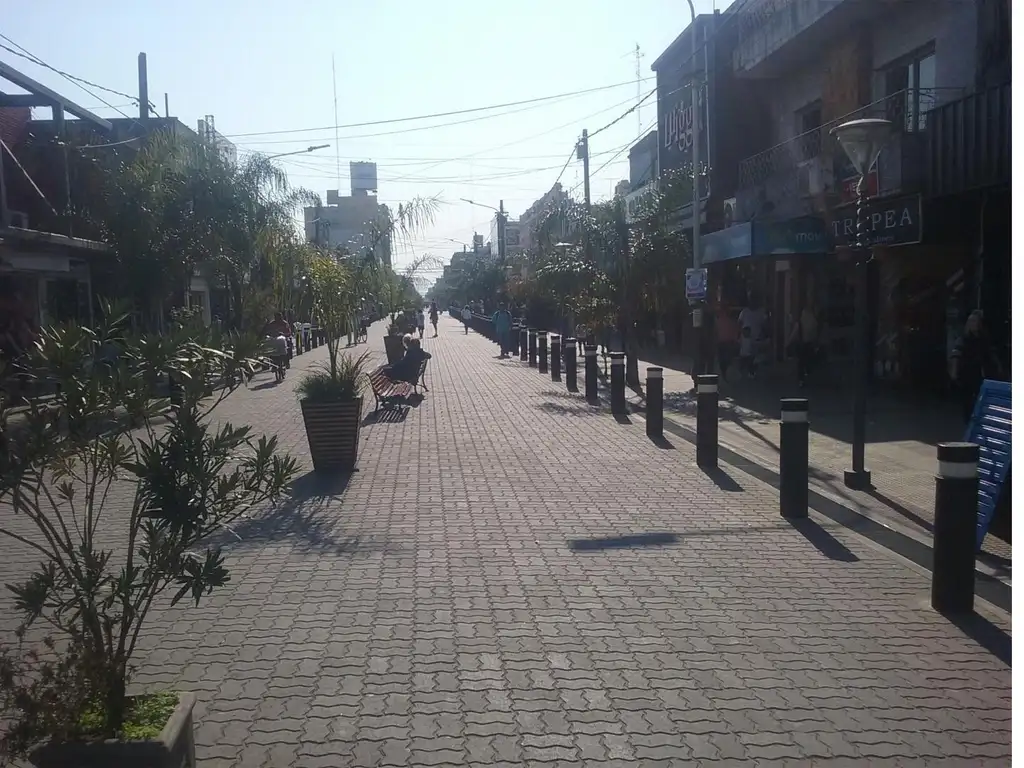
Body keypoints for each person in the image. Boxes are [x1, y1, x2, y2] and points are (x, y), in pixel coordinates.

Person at [950, 310, 1002, 424]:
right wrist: (954, 371)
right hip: (967, 372)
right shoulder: (964, 338)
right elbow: (956, 354)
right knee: (967, 399)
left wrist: (997, 366)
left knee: (981, 397)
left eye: (975, 321)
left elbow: (991, 353)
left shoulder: (984, 338)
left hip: (981, 372)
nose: (973, 324)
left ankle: (980, 419)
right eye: (971, 321)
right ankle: (968, 421)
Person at [787, 302, 820, 387]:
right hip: (810, 344)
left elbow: (795, 333)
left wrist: (788, 343)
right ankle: (807, 375)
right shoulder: (814, 321)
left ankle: (802, 379)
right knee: (809, 361)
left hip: (802, 344)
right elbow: (815, 333)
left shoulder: (801, 322)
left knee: (801, 362)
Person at [715, 303, 739, 380]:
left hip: (728, 343)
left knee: (726, 361)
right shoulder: (717, 321)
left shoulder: (730, 321)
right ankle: (724, 375)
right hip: (721, 343)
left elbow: (734, 332)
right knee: (723, 361)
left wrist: (735, 341)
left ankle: (726, 376)